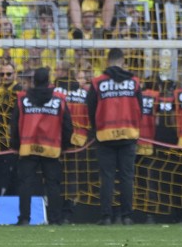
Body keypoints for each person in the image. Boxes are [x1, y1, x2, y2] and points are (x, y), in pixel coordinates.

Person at [10, 67, 73, 225]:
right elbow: (67, 125)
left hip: (28, 146)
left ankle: (24, 218)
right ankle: (55, 218)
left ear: (34, 81)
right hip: (51, 147)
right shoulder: (59, 99)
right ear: (48, 81)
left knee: (25, 184)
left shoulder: (22, 98)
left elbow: (14, 124)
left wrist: (16, 145)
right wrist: (64, 145)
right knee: (53, 184)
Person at [87, 48, 143, 225]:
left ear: (107, 61)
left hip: (105, 134)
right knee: (127, 176)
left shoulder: (97, 82)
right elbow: (140, 108)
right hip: (128, 133)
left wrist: (96, 128)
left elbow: (90, 108)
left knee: (107, 177)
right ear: (123, 61)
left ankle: (106, 216)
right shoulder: (134, 82)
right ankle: (126, 215)